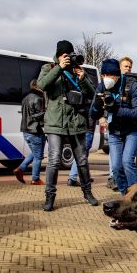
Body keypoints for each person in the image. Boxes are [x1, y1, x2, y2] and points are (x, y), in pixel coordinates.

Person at [38, 40, 98, 211]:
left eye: (70, 55)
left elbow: (92, 94)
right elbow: (42, 85)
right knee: (54, 160)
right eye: (65, 55)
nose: (69, 58)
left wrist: (83, 78)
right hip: (55, 121)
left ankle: (88, 193)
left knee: (82, 159)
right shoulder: (48, 68)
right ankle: (50, 197)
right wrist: (59, 68)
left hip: (76, 121)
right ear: (59, 56)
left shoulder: (77, 70)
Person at [90, 58, 137, 196]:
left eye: (111, 76)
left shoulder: (132, 85)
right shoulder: (101, 86)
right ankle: (124, 196)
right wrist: (97, 104)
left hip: (133, 130)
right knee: (116, 167)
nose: (107, 79)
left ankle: (136, 198)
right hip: (115, 130)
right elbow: (92, 114)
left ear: (117, 75)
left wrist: (116, 109)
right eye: (104, 76)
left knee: (127, 162)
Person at [14, 79, 46, 185]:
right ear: (38, 86)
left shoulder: (25, 98)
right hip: (35, 131)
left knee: (35, 153)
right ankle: (35, 179)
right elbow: (36, 116)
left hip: (26, 131)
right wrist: (46, 112)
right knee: (38, 156)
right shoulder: (38, 98)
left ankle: (20, 169)